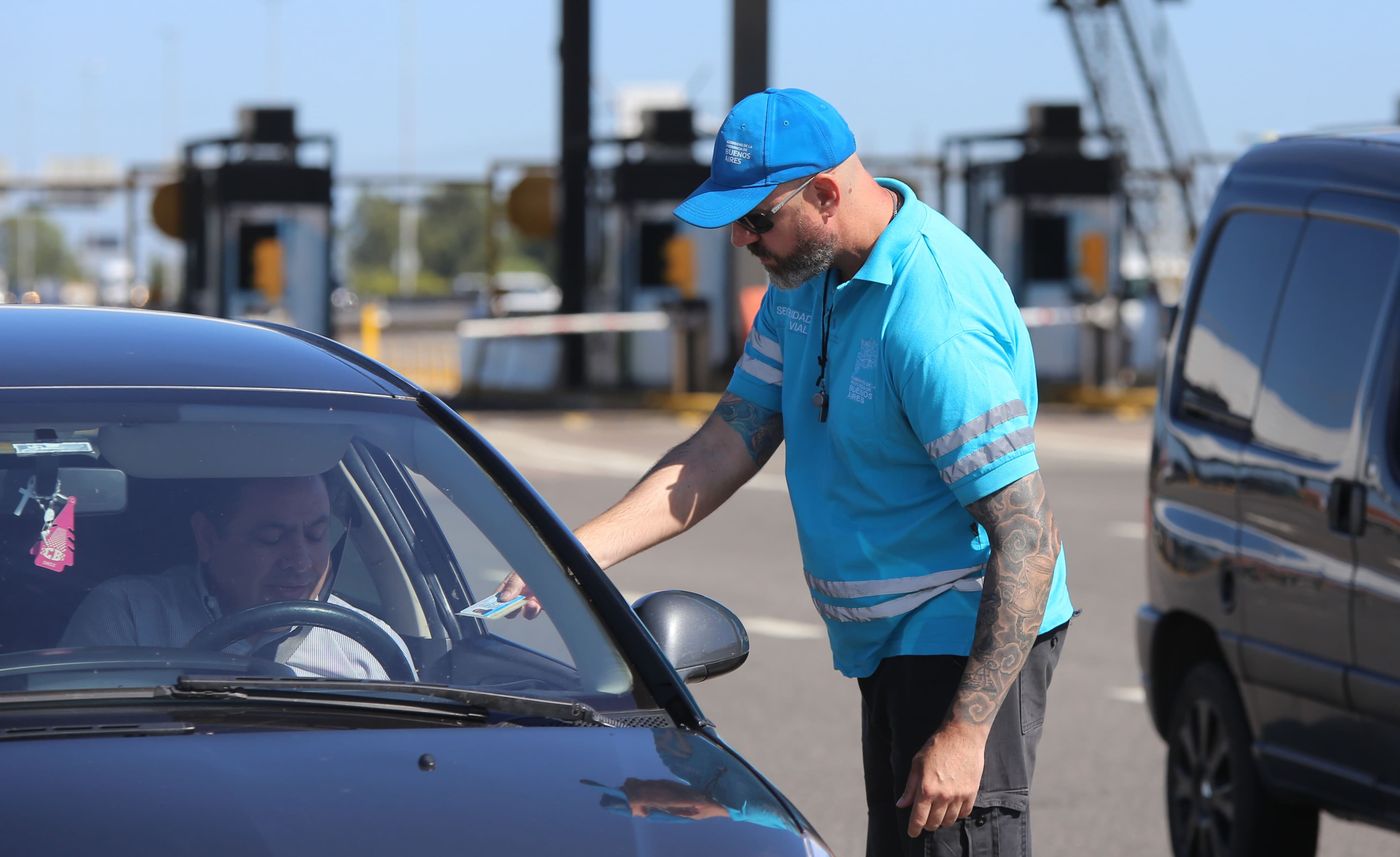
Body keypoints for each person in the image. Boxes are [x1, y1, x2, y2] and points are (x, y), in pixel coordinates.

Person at [500, 87, 1074, 855]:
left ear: (827, 195)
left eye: (756, 218)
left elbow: (1028, 536)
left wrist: (968, 730)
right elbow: (723, 445)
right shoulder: (805, 285)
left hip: (961, 634)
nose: (740, 238)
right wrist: (573, 556)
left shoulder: (931, 315)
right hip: (895, 645)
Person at [62, 474, 413, 681]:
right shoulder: (129, 618)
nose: (301, 561)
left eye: (316, 535)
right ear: (208, 538)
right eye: (272, 539)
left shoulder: (368, 645)